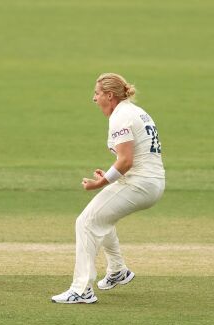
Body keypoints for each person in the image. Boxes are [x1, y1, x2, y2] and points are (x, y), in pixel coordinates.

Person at [51, 73, 165, 304]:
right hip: (148, 181)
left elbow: (126, 161)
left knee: (86, 222)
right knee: (102, 219)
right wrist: (110, 178)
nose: (94, 99)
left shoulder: (121, 116)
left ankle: (81, 289)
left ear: (109, 95)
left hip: (140, 184)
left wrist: (100, 183)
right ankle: (117, 270)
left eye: (97, 93)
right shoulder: (133, 111)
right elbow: (131, 160)